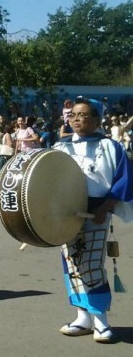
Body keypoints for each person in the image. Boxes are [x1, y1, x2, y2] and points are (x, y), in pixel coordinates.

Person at [53, 98, 133, 343]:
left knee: (91, 263)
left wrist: (107, 206)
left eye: (84, 115)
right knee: (72, 263)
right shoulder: (60, 147)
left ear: (97, 119)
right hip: (67, 212)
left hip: (96, 211)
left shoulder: (111, 146)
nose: (77, 119)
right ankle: (82, 317)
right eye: (74, 115)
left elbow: (123, 179)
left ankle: (101, 320)